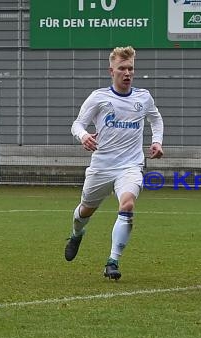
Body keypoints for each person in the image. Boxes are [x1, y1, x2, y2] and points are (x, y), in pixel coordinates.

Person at [64, 46, 164, 281]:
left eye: (130, 68)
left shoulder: (143, 97)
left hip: (130, 166)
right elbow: (77, 124)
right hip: (101, 166)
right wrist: (84, 136)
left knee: (127, 205)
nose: (127, 73)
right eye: (122, 68)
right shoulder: (99, 97)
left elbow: (155, 118)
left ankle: (112, 261)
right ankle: (77, 234)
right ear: (112, 71)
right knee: (85, 211)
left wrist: (157, 142)